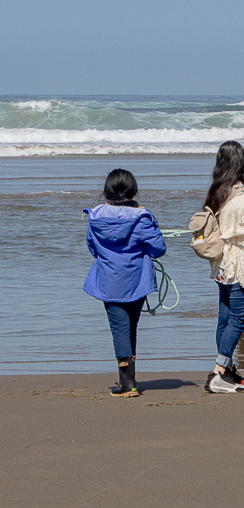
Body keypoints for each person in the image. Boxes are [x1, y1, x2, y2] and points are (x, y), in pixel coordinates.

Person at [84, 169, 167, 398]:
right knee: (130, 328)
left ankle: (128, 383)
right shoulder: (142, 218)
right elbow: (158, 248)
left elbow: (92, 248)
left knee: (120, 329)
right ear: (132, 191)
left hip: (110, 280)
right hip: (137, 280)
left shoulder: (95, 217)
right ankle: (128, 380)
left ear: (107, 191)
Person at [203, 141, 244, 393]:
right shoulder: (243, 196)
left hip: (223, 265)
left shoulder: (217, 192)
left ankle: (228, 370)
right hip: (242, 266)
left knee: (225, 318)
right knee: (240, 317)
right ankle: (219, 371)